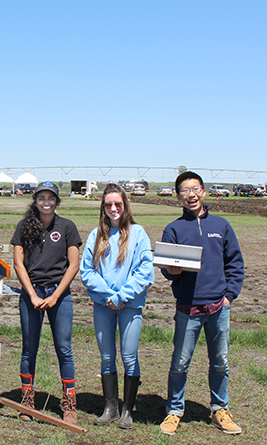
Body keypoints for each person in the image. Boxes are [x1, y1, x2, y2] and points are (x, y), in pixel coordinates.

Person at [159, 172, 244, 436]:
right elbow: (167, 266)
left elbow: (235, 263)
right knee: (180, 363)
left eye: (195, 189)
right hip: (187, 308)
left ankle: (220, 409)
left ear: (204, 192)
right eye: (185, 191)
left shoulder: (221, 225)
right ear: (178, 196)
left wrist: (229, 296)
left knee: (219, 361)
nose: (191, 195)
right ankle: (174, 411)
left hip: (218, 307)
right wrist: (170, 272)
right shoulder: (173, 229)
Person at [80, 183, 154, 429]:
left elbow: (145, 270)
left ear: (125, 205)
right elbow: (87, 272)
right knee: (107, 356)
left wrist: (122, 296)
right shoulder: (96, 235)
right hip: (103, 305)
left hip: (130, 306)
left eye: (118, 204)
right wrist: (108, 295)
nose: (114, 208)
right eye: (109, 204)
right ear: (103, 206)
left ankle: (127, 410)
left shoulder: (139, 233)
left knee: (129, 356)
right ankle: (110, 407)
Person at [11, 181, 82, 424]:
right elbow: (18, 264)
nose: (46, 202)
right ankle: (27, 400)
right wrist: (32, 295)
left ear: (57, 201)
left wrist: (54, 296)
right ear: (35, 200)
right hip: (31, 293)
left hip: (59, 294)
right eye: (41, 197)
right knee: (29, 348)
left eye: (50, 198)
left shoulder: (67, 227)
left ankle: (69, 403)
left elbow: (73, 265)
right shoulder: (24, 226)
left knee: (64, 348)